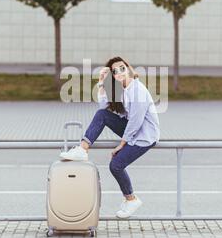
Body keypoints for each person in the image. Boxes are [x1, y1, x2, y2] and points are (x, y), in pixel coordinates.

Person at [60, 56, 160, 219]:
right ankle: (82, 149)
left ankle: (131, 199)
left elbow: (136, 120)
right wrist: (101, 83)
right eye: (115, 71)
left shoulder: (137, 90)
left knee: (116, 165)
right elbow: (104, 109)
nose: (119, 72)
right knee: (102, 115)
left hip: (144, 135)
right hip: (132, 131)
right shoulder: (123, 90)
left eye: (122, 68)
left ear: (128, 68)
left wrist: (122, 145)